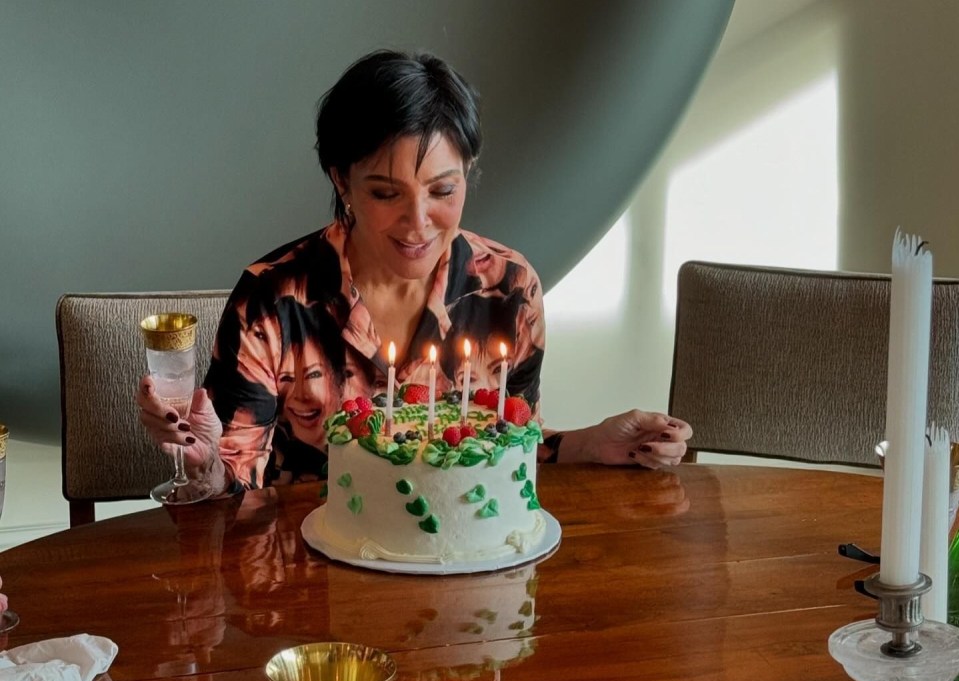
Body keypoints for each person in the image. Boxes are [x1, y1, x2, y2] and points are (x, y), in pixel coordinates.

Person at [136, 50, 691, 493]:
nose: (418, 222)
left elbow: (503, 443)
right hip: (307, 583)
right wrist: (204, 465)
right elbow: (236, 478)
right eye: (385, 193)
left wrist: (594, 444)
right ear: (341, 181)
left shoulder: (509, 289)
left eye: (443, 190)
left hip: (461, 578)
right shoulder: (274, 298)